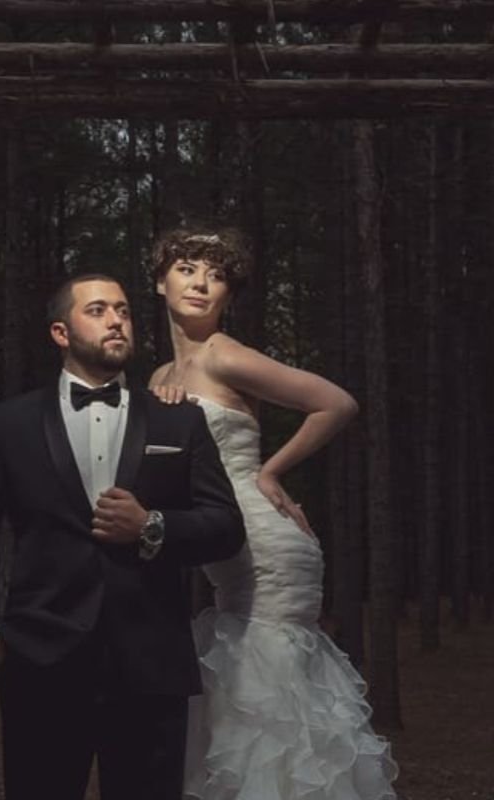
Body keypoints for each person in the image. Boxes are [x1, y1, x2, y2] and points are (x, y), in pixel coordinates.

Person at [0, 273, 248, 800]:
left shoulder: (178, 422)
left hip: (151, 666)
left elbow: (225, 527)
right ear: (61, 332)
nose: (116, 321)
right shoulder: (6, 425)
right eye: (98, 310)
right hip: (40, 663)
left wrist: (151, 526)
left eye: (123, 311)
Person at [145, 227, 398, 799]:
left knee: (268, 691)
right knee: (240, 693)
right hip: (218, 542)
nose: (200, 284)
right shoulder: (160, 378)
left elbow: (336, 403)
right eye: (186, 269)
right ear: (160, 282)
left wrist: (270, 472)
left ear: (228, 296)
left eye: (216, 276)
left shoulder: (224, 354)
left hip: (264, 541)